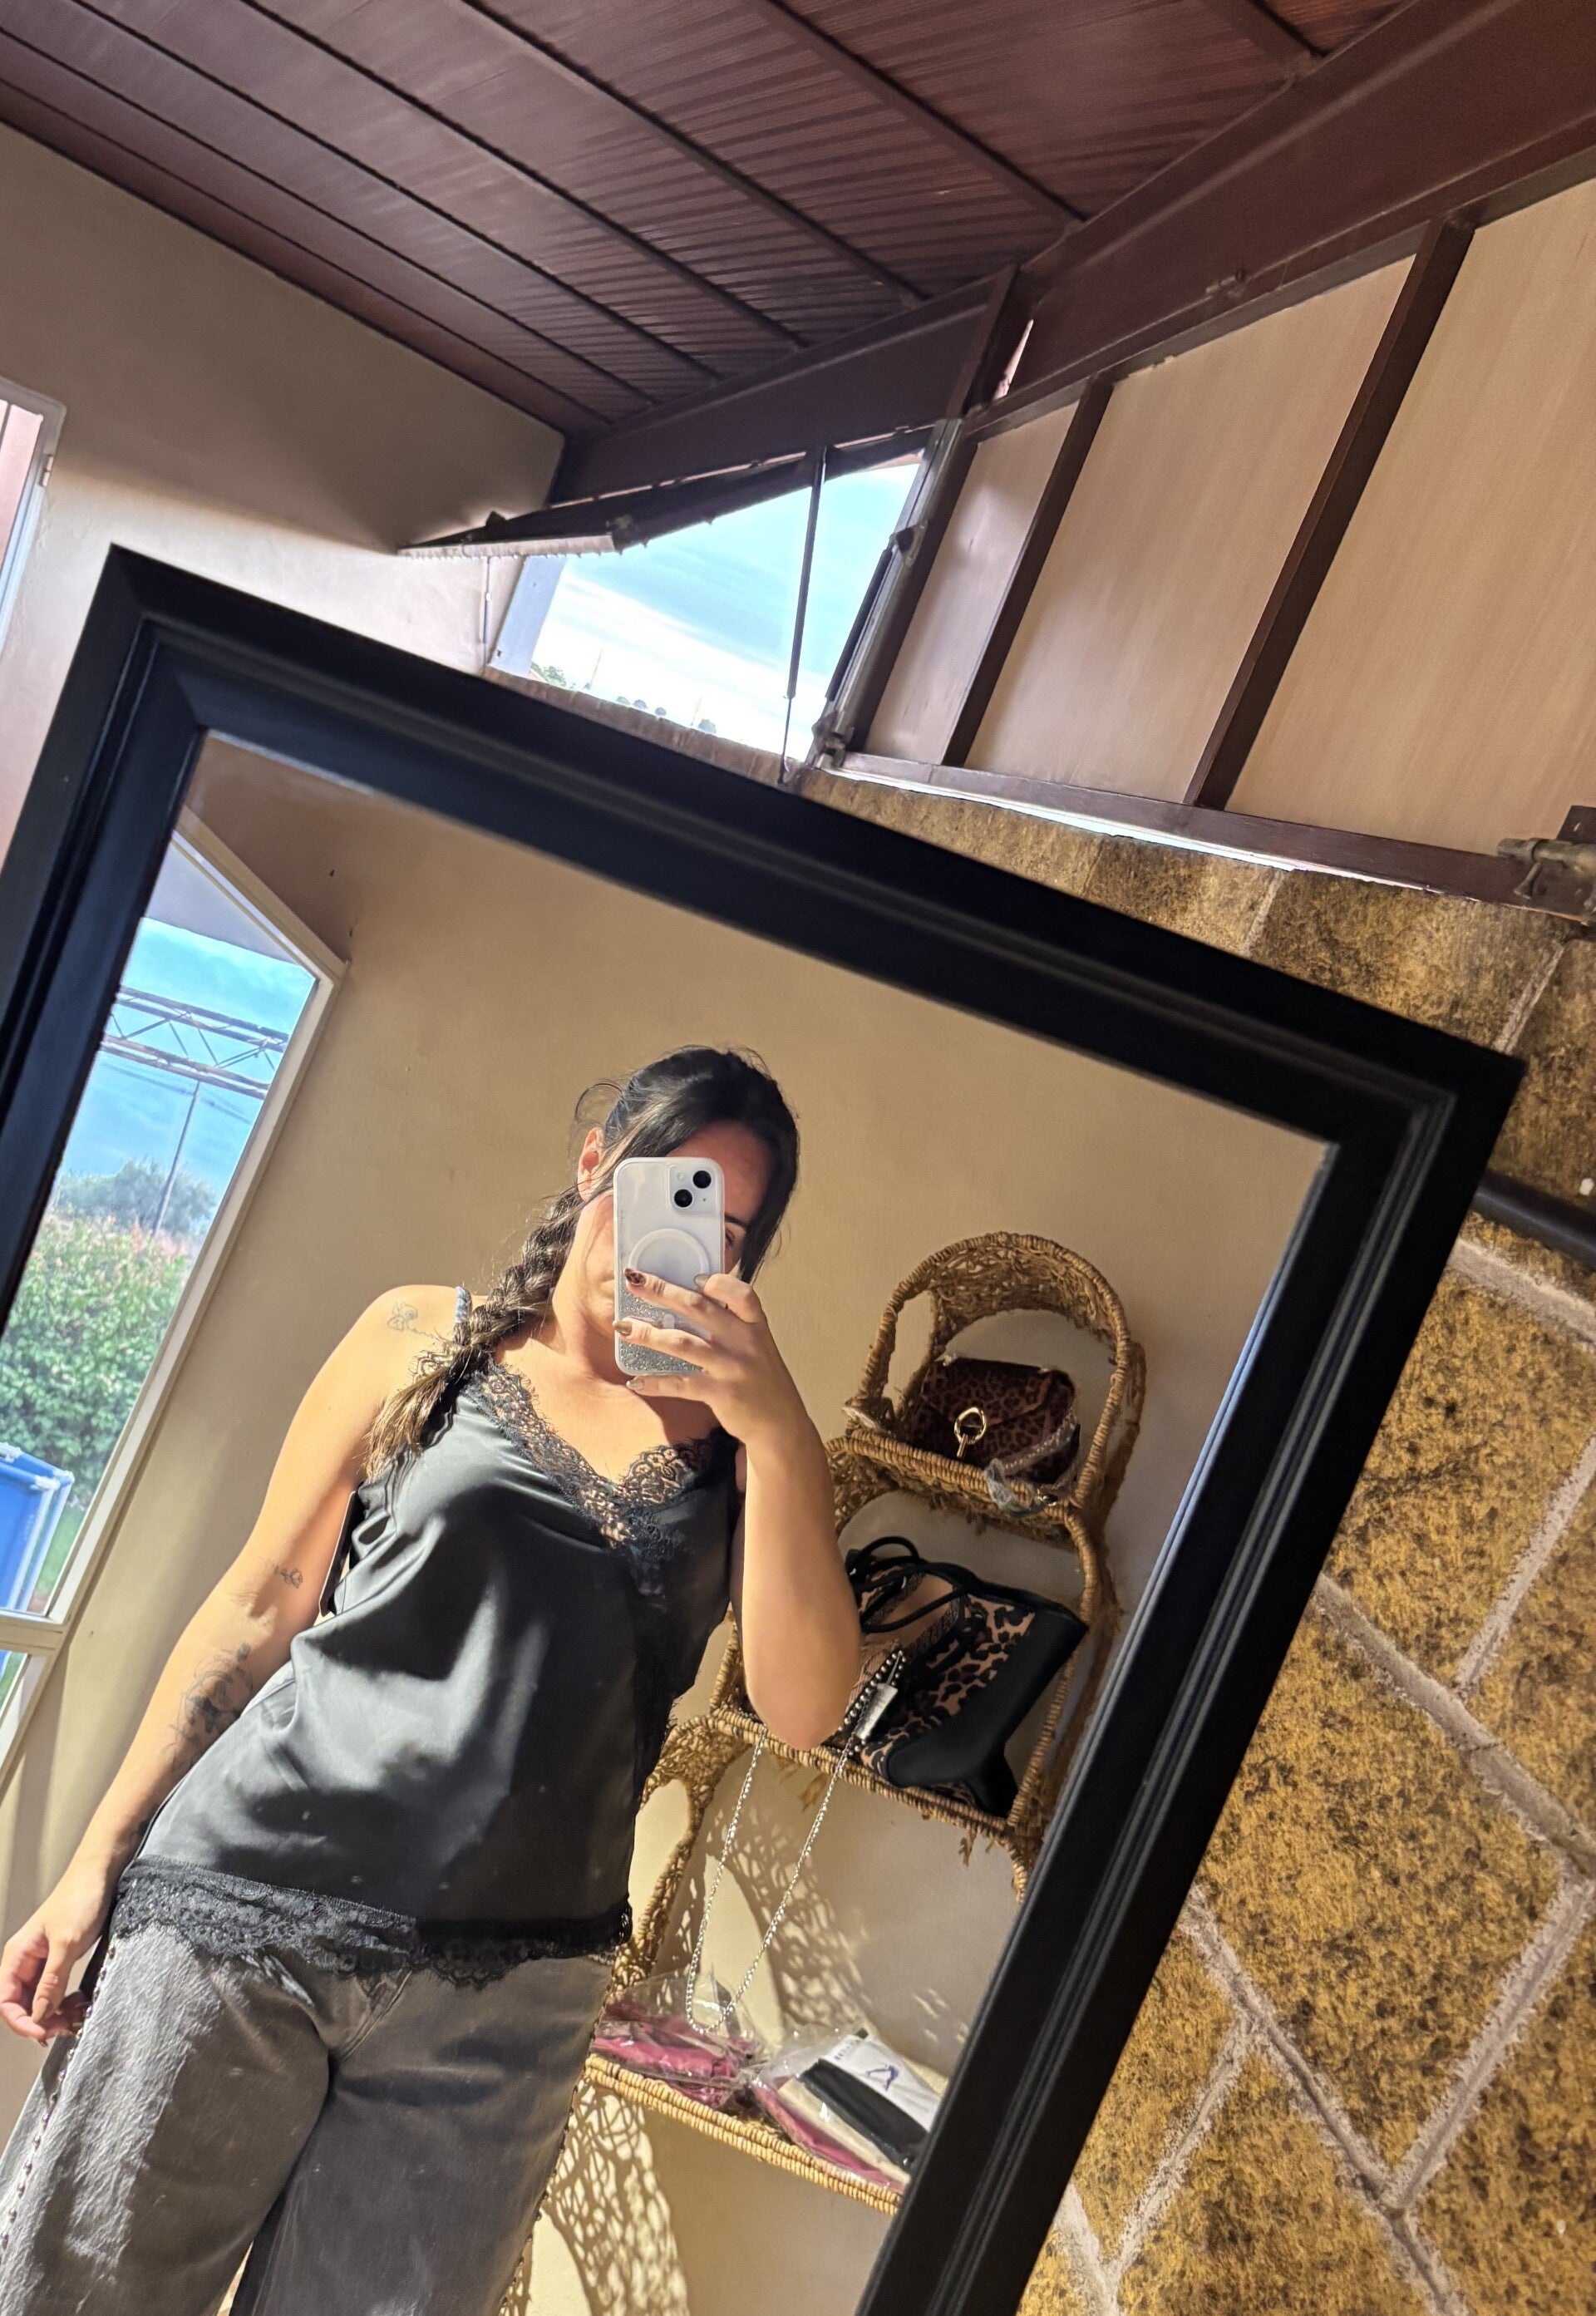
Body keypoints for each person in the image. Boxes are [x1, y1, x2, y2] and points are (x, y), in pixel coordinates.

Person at [0, 1047, 858, 2316]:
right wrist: (94, 1863)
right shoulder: (422, 1336)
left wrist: (780, 1427)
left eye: (724, 1228)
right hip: (243, 1912)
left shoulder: (750, 1455)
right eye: (664, 1187)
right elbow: (258, 1605)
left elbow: (805, 1706)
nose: (677, 1240)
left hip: (507, 2004)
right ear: (595, 1164)